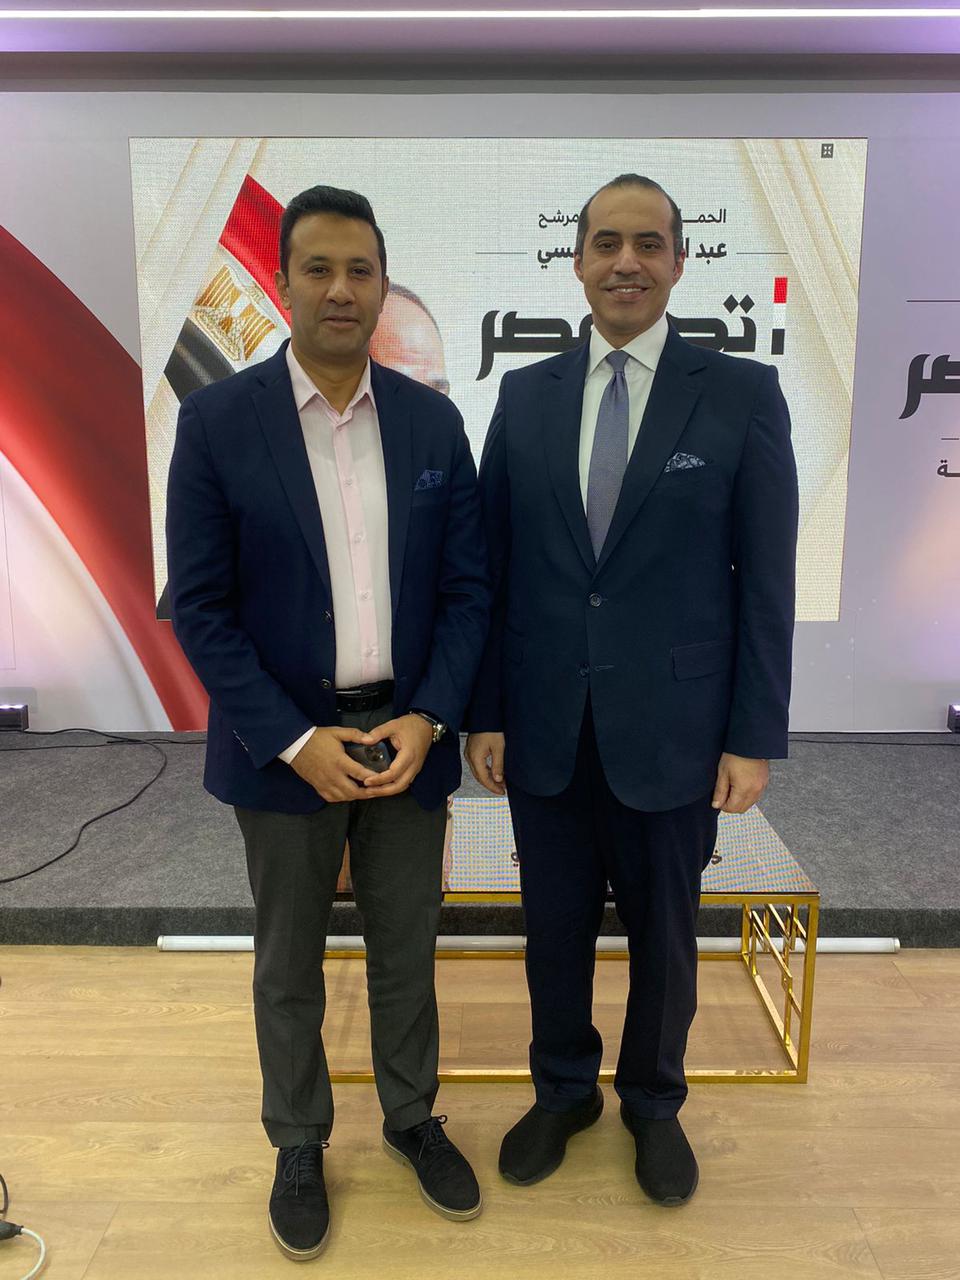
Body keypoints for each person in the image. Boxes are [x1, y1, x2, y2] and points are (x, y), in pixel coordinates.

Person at [167, 184, 489, 1260]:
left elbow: (468, 591)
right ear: (283, 282)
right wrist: (296, 740)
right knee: (288, 962)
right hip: (284, 750)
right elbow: (201, 608)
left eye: (360, 269)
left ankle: (410, 1118)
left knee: (407, 949)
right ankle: (299, 1140)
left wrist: (433, 715)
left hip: (406, 741)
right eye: (319, 268)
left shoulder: (432, 422)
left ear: (383, 284)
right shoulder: (218, 421)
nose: (341, 289)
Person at [465, 173, 798, 1205]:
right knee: (554, 929)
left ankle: (654, 1102)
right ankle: (563, 1091)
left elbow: (766, 581)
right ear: (577, 260)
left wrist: (752, 734)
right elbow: (494, 566)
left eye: (648, 243)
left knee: (665, 935)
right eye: (607, 242)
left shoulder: (740, 393)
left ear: (680, 262)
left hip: (676, 730)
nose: (626, 262)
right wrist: (485, 709)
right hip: (546, 726)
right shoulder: (526, 394)